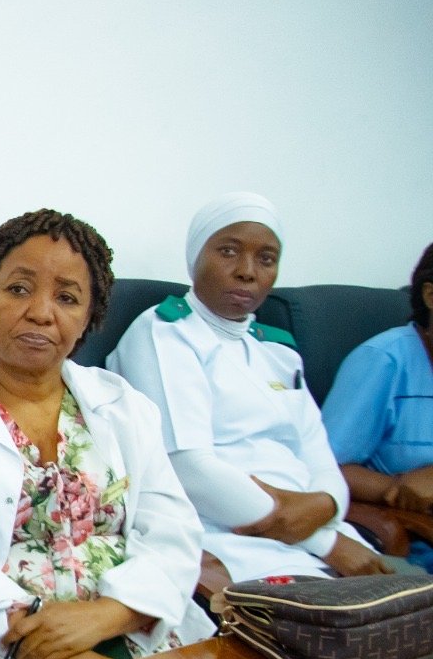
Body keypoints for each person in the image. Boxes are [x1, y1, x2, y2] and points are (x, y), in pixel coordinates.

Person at [0, 209, 214, 659]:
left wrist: (108, 616)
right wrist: (69, 653)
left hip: (137, 623)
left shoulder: (124, 406)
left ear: (88, 318)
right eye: (19, 289)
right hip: (8, 644)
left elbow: (173, 531)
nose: (41, 313)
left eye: (67, 298)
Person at [107, 192, 390, 582]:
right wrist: (324, 542)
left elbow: (322, 462)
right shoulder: (164, 332)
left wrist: (326, 506)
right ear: (195, 255)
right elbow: (190, 470)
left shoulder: (278, 351)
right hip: (227, 541)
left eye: (266, 259)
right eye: (228, 251)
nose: (247, 271)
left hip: (322, 535)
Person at [322, 243, 433, 572]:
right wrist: (395, 488)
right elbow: (324, 466)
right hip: (414, 544)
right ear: (430, 295)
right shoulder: (384, 361)